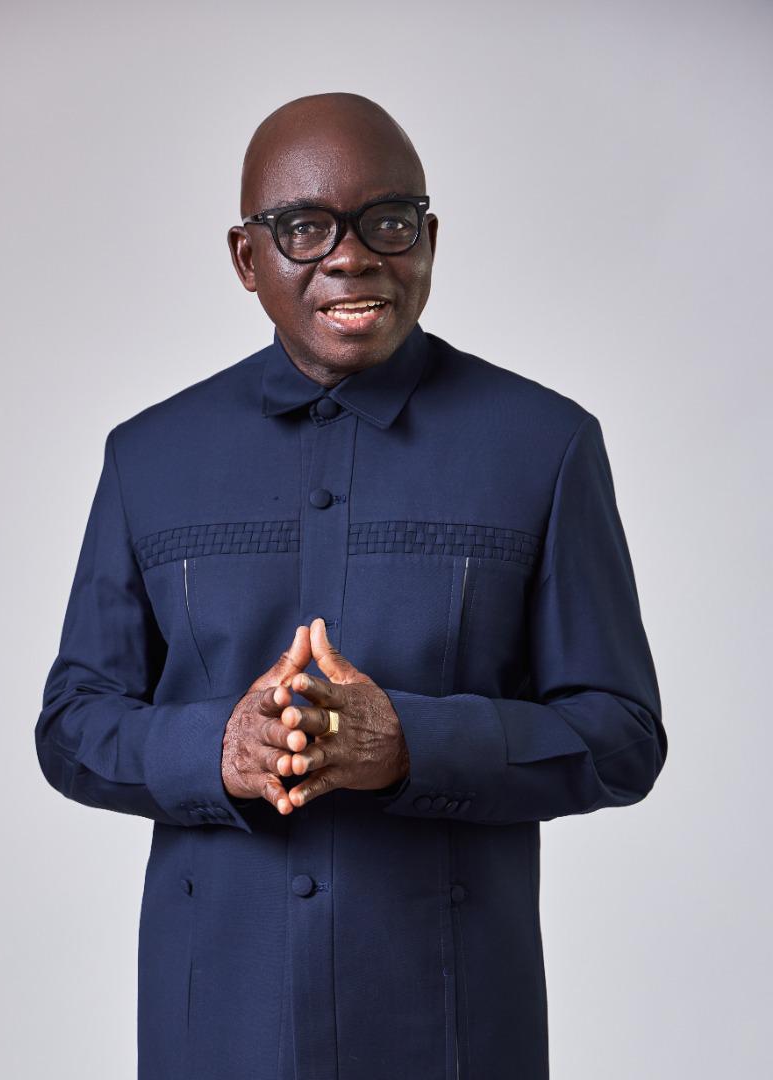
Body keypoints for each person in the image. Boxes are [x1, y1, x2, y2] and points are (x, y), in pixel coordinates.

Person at [35, 91, 668, 1080]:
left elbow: (622, 736)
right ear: (247, 258)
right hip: (215, 1035)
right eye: (304, 228)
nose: (352, 257)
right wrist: (217, 749)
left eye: (388, 222)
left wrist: (412, 742)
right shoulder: (148, 458)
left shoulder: (545, 447)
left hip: (452, 1034)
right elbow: (73, 725)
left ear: (429, 239)